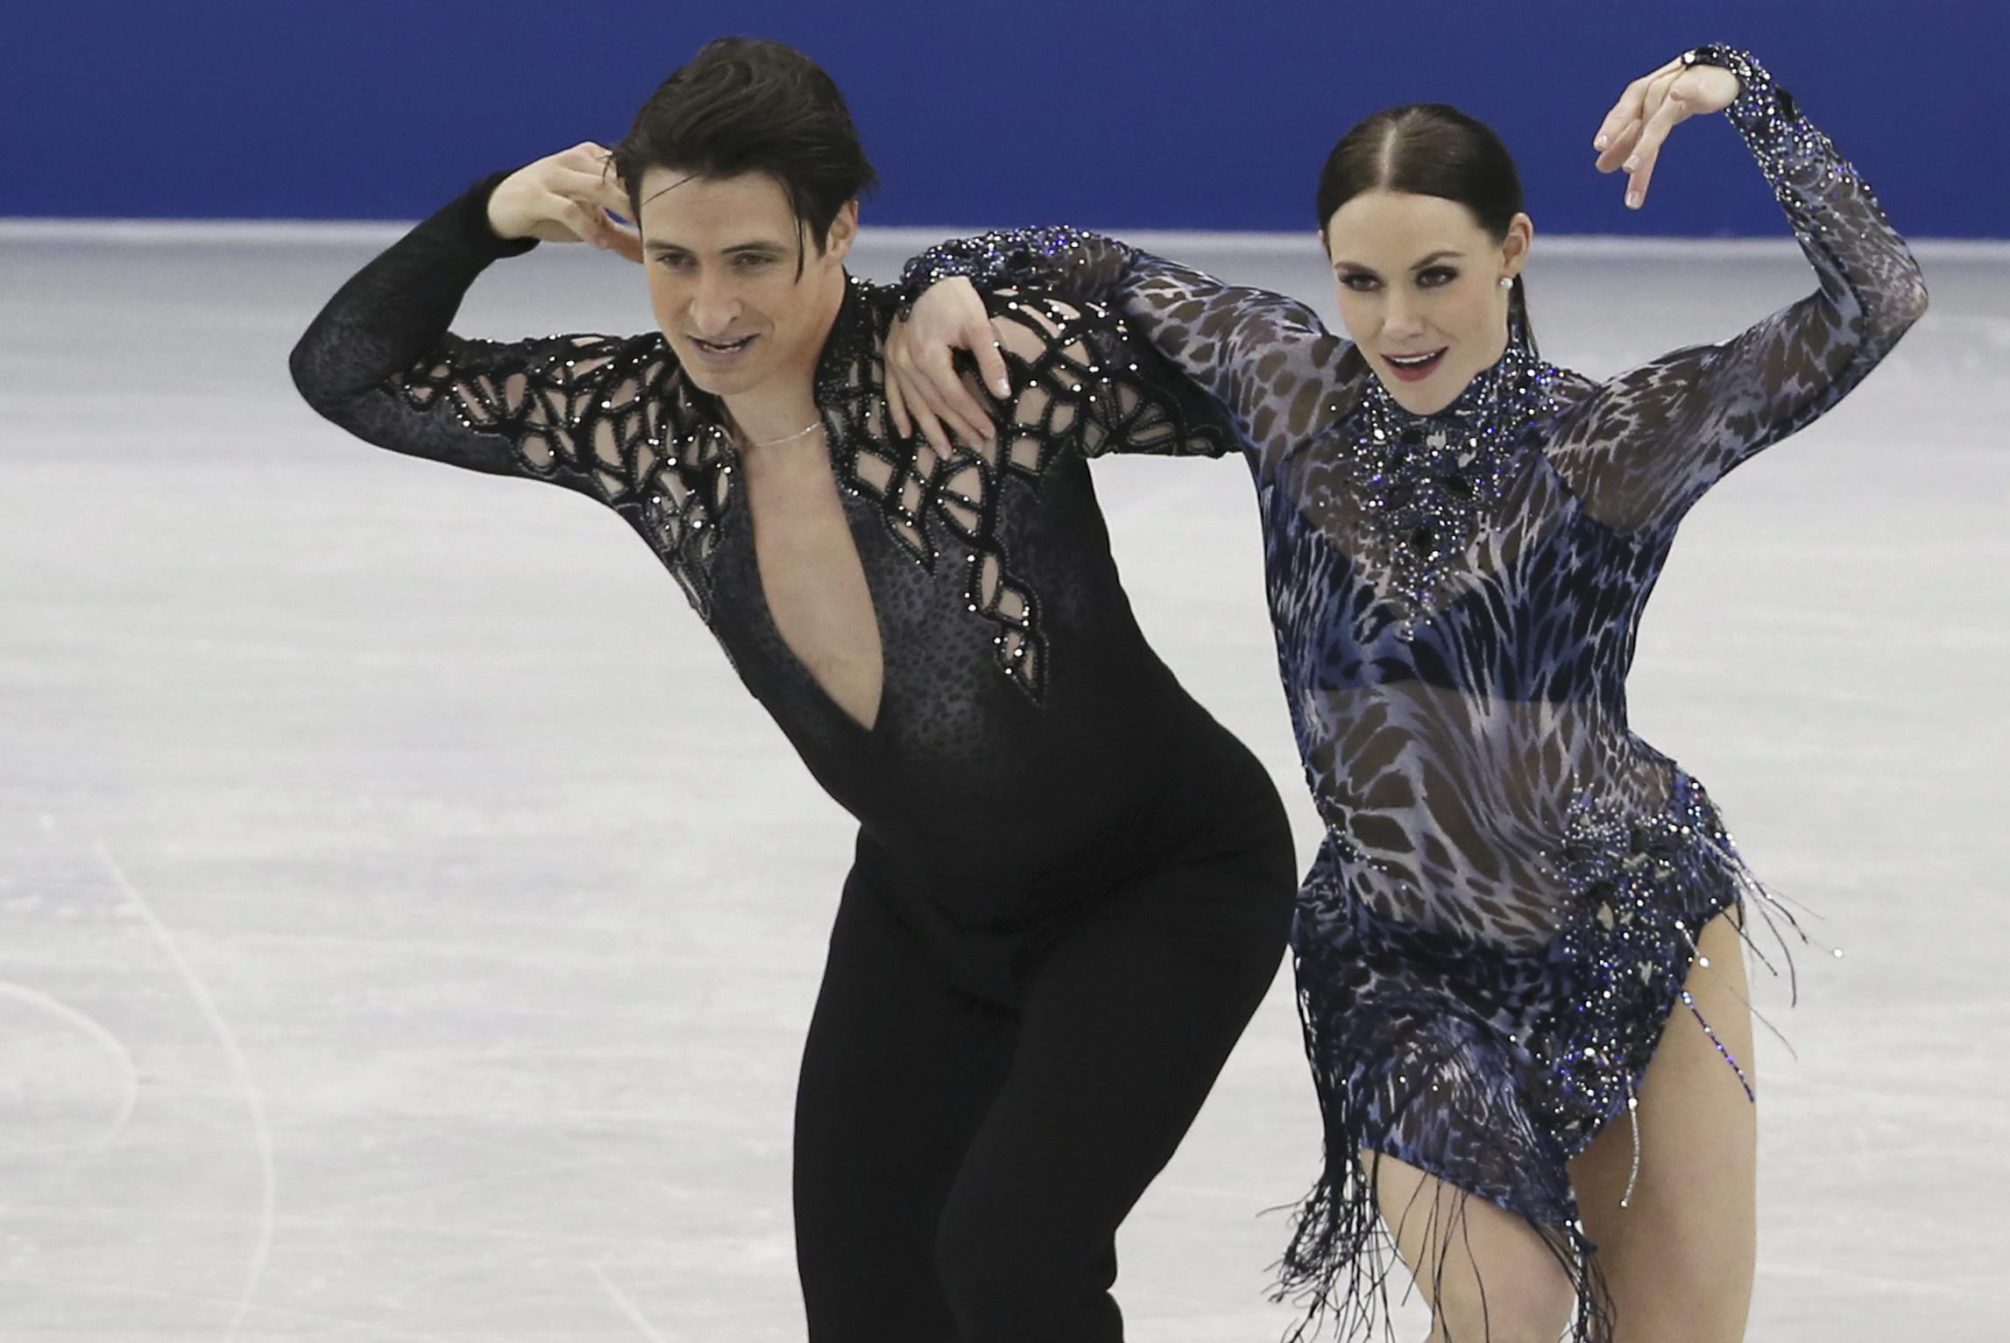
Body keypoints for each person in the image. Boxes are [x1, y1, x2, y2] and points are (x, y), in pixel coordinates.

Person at [887, 45, 1927, 1343]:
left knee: (1676, 1334)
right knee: (1509, 1311)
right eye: (1361, 282)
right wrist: (937, 285)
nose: (1397, 323)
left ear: (1513, 250)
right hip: (1400, 956)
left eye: (1435, 275)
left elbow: (1878, 296)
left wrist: (1749, 98)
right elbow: (1077, 260)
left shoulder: (1609, 443)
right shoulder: (1286, 384)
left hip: (1630, 918)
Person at [286, 36, 1299, 1343]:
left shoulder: (975, 371)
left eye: (752, 258)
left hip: (1160, 885)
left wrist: (974, 272)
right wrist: (490, 216)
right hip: (929, 908)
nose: (709, 311)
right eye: (674, 258)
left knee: (1010, 1262)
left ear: (838, 233)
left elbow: (1275, 368)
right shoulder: (643, 425)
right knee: (871, 1307)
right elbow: (348, 373)